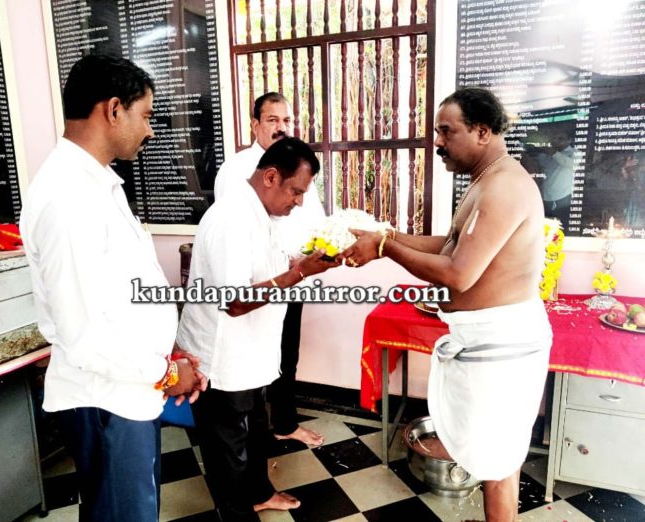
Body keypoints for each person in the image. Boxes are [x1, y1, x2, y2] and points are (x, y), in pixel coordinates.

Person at [341, 87, 552, 522]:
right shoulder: (486, 180)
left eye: (446, 131)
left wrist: (384, 248)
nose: (437, 142)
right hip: (486, 341)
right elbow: (450, 245)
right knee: (495, 457)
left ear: (482, 131)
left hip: (502, 344)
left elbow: (457, 274)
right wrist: (387, 234)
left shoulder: (504, 187)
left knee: (498, 464)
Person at [20, 55, 206, 522]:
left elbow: (120, 294)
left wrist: (168, 354)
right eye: (146, 115)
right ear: (114, 109)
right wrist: (166, 373)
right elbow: (83, 335)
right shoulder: (67, 197)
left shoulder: (98, 182)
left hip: (128, 387)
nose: (150, 131)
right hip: (105, 396)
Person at [177, 137, 338, 520]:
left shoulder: (263, 215)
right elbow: (235, 301)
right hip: (221, 357)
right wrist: (299, 273)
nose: (299, 202)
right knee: (227, 452)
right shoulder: (231, 219)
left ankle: (260, 493)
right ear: (270, 177)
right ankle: (238, 514)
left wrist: (307, 262)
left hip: (252, 352)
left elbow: (269, 269)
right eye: (296, 191)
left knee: (254, 431)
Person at [215, 92, 326, 446]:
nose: (281, 127)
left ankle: (284, 423)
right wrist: (284, 267)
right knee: (251, 355)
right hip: (254, 285)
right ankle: (251, 429)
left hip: (293, 278)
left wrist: (312, 255)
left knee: (285, 354)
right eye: (272, 120)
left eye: (286, 120)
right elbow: (236, 233)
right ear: (255, 124)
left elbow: (314, 220)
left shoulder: (300, 165)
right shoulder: (236, 170)